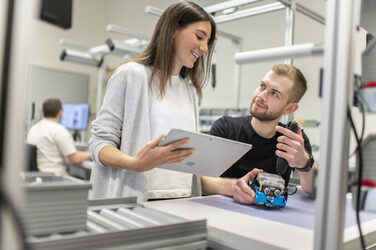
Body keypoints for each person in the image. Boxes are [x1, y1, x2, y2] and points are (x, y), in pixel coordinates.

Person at [89, 1, 216, 202]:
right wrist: (135, 163)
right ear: (174, 29)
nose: (204, 48)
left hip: (183, 200)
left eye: (207, 42)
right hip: (137, 200)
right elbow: (99, 143)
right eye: (199, 37)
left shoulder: (189, 90)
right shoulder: (131, 75)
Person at [200, 64, 318, 204]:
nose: (261, 96)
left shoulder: (292, 140)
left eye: (274, 93)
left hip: (270, 220)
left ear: (289, 108)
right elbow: (200, 180)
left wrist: (304, 162)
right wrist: (234, 187)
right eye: (262, 86)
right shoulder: (226, 128)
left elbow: (316, 190)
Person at [26, 98, 91, 175]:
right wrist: (91, 153)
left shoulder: (34, 128)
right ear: (60, 112)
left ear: (43, 112)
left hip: (37, 177)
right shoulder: (59, 130)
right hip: (54, 177)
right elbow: (74, 158)